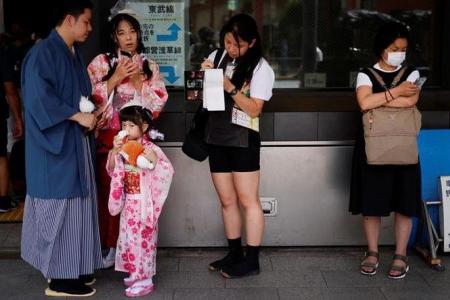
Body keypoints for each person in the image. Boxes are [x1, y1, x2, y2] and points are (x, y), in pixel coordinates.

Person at [20, 0, 103, 297]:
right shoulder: (42, 53)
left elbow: (82, 94)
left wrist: (90, 112)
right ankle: (59, 278)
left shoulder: (72, 53)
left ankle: (76, 268)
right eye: (87, 22)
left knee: (79, 207)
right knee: (59, 207)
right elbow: (39, 99)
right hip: (54, 148)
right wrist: (76, 114)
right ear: (70, 19)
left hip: (74, 143)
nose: (90, 28)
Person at [87, 12, 168, 268]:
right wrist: (113, 79)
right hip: (112, 140)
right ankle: (110, 244)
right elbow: (88, 100)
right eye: (121, 33)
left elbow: (157, 105)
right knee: (111, 192)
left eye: (132, 31)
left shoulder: (148, 66)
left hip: (139, 143)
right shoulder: (101, 62)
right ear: (114, 37)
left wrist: (137, 82)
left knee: (138, 194)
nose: (128, 37)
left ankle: (137, 247)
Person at [201, 14, 275, 278]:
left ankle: (251, 259)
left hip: (244, 138)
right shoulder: (217, 56)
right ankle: (234, 253)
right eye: (228, 42)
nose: (231, 49)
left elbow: (255, 110)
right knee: (227, 200)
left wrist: (228, 85)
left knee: (248, 201)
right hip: (217, 135)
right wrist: (204, 78)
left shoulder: (260, 68)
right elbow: (207, 99)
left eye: (238, 45)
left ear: (252, 43)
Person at [349, 22, 421, 280]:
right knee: (372, 202)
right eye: (394, 48)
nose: (399, 53)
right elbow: (363, 102)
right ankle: (372, 252)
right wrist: (397, 92)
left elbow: (411, 101)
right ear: (382, 48)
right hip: (373, 146)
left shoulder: (412, 72)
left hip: (403, 145)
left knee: (404, 202)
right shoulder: (365, 73)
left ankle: (401, 254)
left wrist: (382, 98)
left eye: (403, 49)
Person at [106, 101, 173, 297]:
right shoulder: (123, 146)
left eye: (131, 125)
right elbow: (112, 170)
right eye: (123, 125)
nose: (126, 129)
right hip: (129, 201)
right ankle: (135, 272)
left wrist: (152, 160)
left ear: (144, 127)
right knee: (129, 238)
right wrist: (115, 152)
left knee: (142, 240)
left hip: (144, 202)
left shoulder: (150, 148)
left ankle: (145, 279)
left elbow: (166, 171)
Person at [0, 41, 23, 212]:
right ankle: (3, 201)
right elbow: (10, 91)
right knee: (1, 157)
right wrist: (18, 119)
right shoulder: (2, 55)